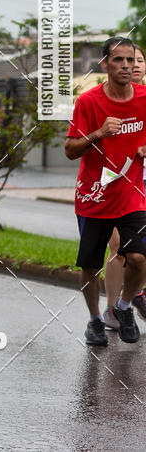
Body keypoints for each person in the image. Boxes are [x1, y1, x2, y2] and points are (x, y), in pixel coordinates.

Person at [65, 36, 146, 346]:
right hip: (95, 195)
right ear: (105, 65)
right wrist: (99, 133)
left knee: (138, 257)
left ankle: (124, 307)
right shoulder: (88, 102)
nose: (126, 66)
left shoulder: (144, 97)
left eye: (131, 60)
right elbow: (71, 150)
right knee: (90, 265)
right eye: (118, 60)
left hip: (131, 194)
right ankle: (95, 319)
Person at [103, 45, 146, 328]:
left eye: (140, 60)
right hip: (114, 183)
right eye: (130, 60)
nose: (135, 65)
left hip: (142, 185)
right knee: (119, 247)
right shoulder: (105, 97)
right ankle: (112, 310)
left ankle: (133, 297)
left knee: (139, 250)